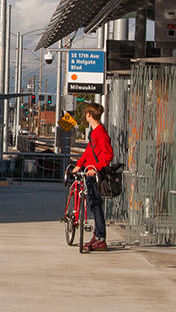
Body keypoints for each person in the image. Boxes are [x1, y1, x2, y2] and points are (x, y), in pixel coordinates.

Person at [72, 103, 113, 251]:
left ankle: (101, 238)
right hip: (89, 171)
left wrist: (96, 168)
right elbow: (89, 151)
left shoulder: (100, 132)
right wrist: (80, 164)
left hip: (95, 174)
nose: (85, 116)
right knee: (93, 203)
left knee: (96, 205)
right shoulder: (94, 132)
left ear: (89, 114)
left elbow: (108, 154)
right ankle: (97, 235)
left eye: (86, 114)